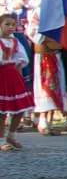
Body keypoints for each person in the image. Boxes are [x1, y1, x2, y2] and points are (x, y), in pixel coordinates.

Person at [0, 12, 33, 149]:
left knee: (20, 108)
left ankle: (11, 135)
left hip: (13, 76)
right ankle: (1, 139)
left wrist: (19, 65)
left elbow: (22, 58)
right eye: (7, 24)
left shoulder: (15, 41)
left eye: (13, 25)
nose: (10, 27)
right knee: (2, 111)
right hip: (2, 76)